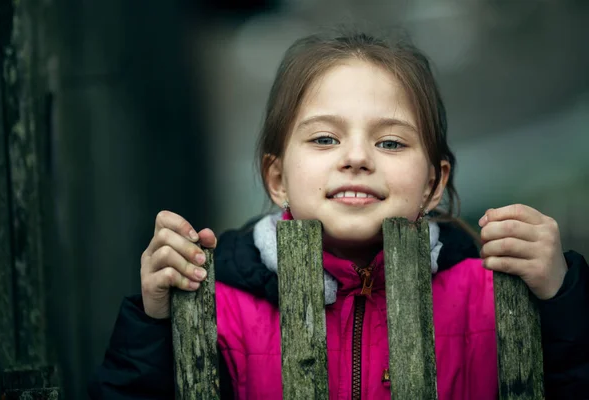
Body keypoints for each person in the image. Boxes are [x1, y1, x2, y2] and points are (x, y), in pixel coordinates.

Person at [88, 30, 589, 399]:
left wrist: (563, 296)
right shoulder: (220, 310)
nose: (356, 157)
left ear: (433, 185)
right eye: (325, 138)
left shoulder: (492, 295)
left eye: (390, 141)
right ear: (277, 178)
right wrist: (155, 324)